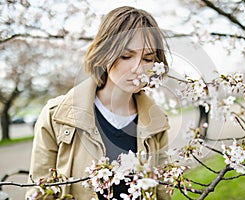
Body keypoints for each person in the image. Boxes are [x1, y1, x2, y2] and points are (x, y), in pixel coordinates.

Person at [26, 6, 171, 200]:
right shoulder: (56, 115)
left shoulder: (157, 122)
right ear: (105, 53)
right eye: (126, 56)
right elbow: (39, 192)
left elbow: (162, 192)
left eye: (148, 58)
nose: (138, 68)